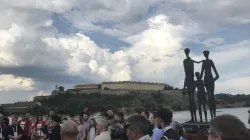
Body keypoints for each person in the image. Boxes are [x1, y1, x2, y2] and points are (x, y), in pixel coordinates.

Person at [200, 50, 219, 118]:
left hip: (210, 80)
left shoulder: (210, 61)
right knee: (209, 97)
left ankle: (214, 116)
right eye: (204, 54)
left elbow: (217, 75)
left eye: (205, 54)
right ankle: (211, 117)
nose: (205, 55)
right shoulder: (204, 62)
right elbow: (201, 74)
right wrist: (199, 80)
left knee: (212, 97)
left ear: (207, 54)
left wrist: (212, 81)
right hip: (206, 81)